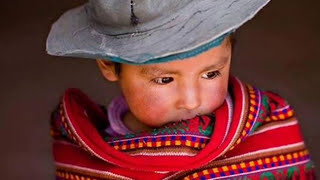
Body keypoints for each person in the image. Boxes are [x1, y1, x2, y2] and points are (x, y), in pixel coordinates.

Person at [47, 0, 316, 179]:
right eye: (165, 80)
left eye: (211, 74)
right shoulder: (82, 156)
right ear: (108, 64)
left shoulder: (268, 132)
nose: (191, 100)